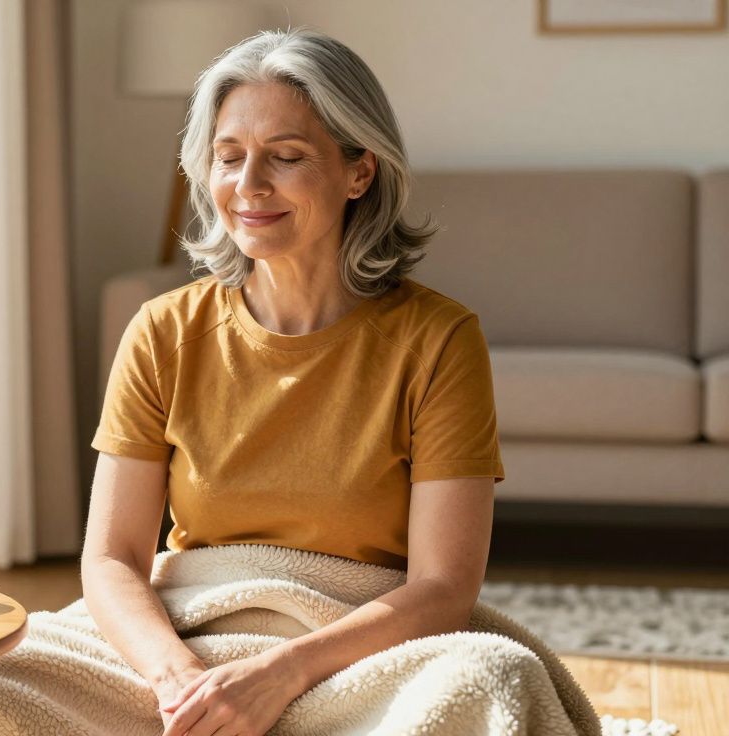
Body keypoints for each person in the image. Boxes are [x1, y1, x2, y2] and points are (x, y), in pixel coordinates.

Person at [81, 27, 504, 736]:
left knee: (487, 687)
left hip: (358, 643)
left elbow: (444, 588)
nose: (247, 187)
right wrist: (177, 678)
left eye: (285, 157)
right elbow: (112, 559)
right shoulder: (161, 331)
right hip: (189, 631)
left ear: (359, 172)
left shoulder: (439, 341)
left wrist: (280, 674)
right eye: (228, 157)